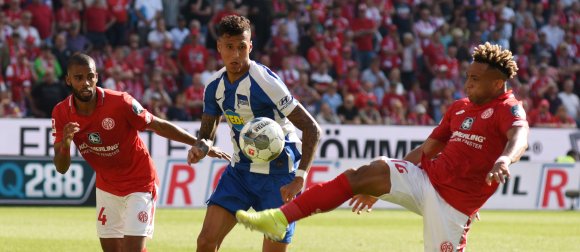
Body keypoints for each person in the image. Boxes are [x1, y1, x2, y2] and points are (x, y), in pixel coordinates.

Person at [236, 42, 530, 251]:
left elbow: (520, 136)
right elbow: (427, 149)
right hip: (426, 178)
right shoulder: (460, 108)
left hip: (453, 205)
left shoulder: (508, 108)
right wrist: (383, 185)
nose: (467, 84)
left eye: (475, 80)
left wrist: (504, 160)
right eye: (467, 77)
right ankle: (280, 218)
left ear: (497, 83)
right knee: (364, 174)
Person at [51, 53, 230, 252]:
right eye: (78, 78)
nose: (86, 82)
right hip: (107, 187)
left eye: (90, 76)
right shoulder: (61, 113)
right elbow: (61, 167)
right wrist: (66, 142)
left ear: (97, 77)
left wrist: (199, 143)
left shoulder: (120, 102)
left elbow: (157, 125)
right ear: (68, 80)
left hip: (140, 182)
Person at [186, 15, 321, 252]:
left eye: (241, 47)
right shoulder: (214, 86)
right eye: (229, 47)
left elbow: (312, 128)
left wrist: (300, 177)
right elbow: (207, 134)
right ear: (219, 47)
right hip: (240, 172)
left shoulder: (266, 83)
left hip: (279, 177)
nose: (236, 54)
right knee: (206, 241)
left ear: (250, 46)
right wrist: (201, 147)